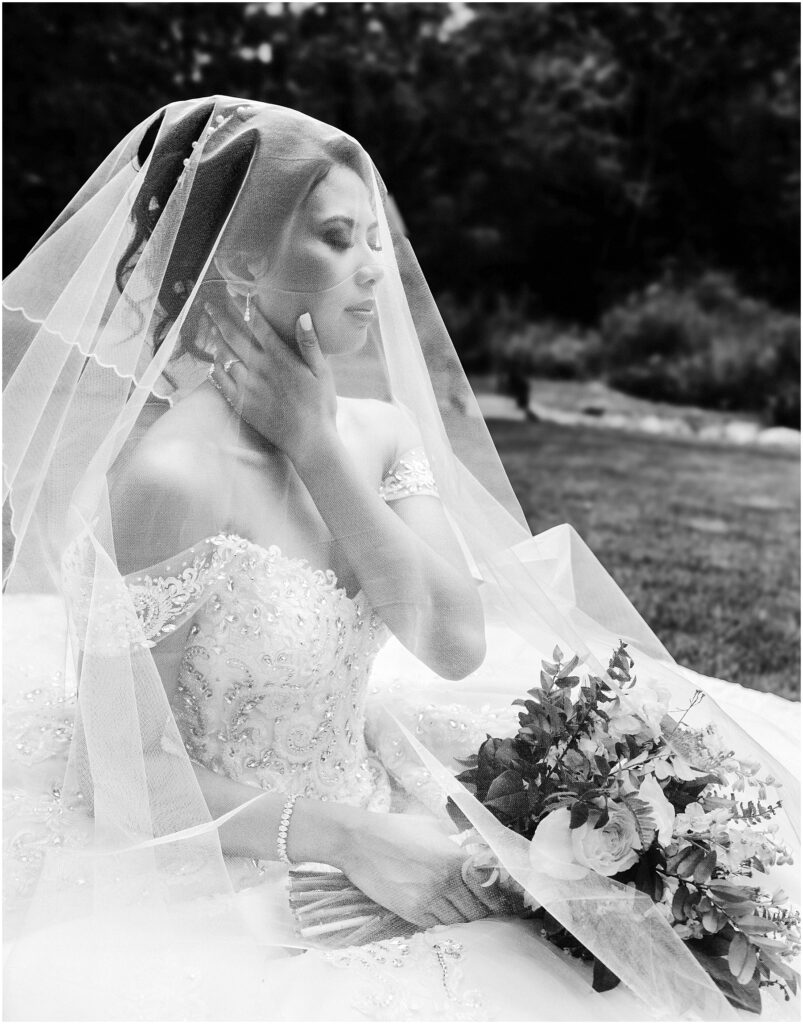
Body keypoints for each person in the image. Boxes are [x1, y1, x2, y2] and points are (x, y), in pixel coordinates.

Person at [3, 97, 799, 1021]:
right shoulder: (169, 479)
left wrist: (316, 448)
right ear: (245, 262)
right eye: (336, 238)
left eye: (375, 238)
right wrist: (346, 837)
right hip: (231, 852)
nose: (372, 269)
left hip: (378, 789)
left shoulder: (379, 437)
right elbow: (117, 773)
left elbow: (453, 641)